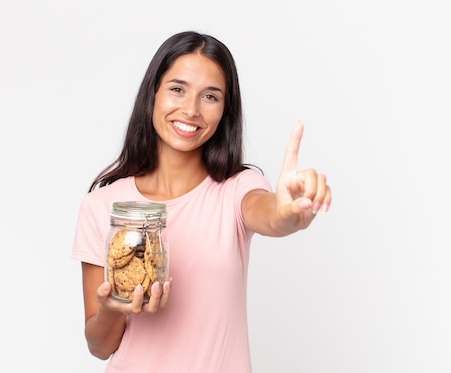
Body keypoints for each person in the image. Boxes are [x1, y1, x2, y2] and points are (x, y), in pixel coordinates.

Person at [71, 31, 331, 372]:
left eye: (210, 96)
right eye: (177, 89)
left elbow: (267, 213)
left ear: (225, 110)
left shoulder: (237, 188)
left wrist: (287, 212)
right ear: (153, 94)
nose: (191, 110)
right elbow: (100, 346)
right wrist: (115, 306)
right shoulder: (103, 205)